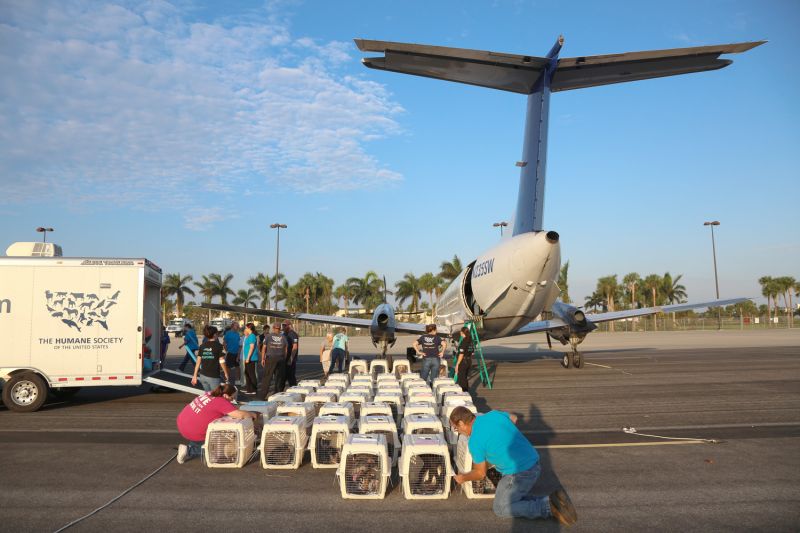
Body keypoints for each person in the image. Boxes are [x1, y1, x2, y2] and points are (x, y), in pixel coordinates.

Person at [449, 407, 577, 525]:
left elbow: (480, 474)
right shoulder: (492, 415)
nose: (458, 431)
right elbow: (513, 418)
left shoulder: (474, 441)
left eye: (456, 428)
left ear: (461, 423)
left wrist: (462, 478)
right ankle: (554, 500)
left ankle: (547, 507)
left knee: (501, 508)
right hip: (533, 461)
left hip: (518, 473)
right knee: (513, 497)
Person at [175, 383, 257, 464]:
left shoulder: (210, 393)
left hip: (183, 422)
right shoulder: (221, 401)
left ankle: (195, 443)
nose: (233, 400)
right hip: (192, 430)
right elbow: (240, 415)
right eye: (232, 397)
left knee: (206, 437)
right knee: (216, 455)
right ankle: (189, 450)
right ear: (225, 395)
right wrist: (253, 414)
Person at [191, 326, 230, 392]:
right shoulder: (219, 346)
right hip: (213, 376)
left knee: (208, 395)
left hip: (203, 375)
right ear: (214, 334)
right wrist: (226, 373)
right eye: (217, 333)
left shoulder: (202, 346)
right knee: (216, 397)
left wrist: (194, 375)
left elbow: (198, 362)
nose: (218, 334)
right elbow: (222, 361)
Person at [257, 323, 288, 400]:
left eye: (277, 328)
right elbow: (286, 349)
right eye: (278, 328)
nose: (277, 330)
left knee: (267, 377)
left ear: (273, 328)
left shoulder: (268, 336)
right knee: (279, 377)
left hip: (271, 358)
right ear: (279, 328)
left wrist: (262, 358)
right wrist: (285, 358)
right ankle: (277, 394)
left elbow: (264, 348)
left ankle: (263, 396)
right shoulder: (283, 337)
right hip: (280, 358)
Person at [241, 323, 259, 394]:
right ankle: (249, 389)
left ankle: (254, 389)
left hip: (251, 358)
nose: (245, 329)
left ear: (249, 328)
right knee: (247, 373)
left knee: (251, 374)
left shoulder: (252, 336)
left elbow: (251, 347)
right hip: (247, 358)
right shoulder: (248, 336)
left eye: (246, 328)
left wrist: (248, 358)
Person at [223, 322, 242, 386]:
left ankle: (238, 380)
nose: (238, 327)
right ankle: (227, 379)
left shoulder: (237, 334)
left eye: (238, 326)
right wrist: (226, 350)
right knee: (228, 367)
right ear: (232, 326)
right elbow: (224, 342)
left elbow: (239, 344)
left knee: (237, 367)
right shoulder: (228, 333)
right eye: (236, 326)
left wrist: (239, 354)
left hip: (236, 353)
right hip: (230, 353)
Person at [455, 326, 473, 392]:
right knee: (465, 378)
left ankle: (464, 393)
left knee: (461, 379)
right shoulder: (470, 341)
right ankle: (466, 392)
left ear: (462, 333)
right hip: (469, 361)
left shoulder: (464, 342)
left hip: (463, 362)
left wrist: (457, 364)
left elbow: (461, 354)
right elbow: (472, 353)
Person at [282, 320, 300, 389]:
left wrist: (290, 359)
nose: (283, 327)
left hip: (290, 360)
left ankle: (294, 390)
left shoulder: (293, 334)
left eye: (285, 325)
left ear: (289, 326)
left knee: (291, 377)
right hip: (284, 359)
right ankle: (279, 391)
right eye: (283, 325)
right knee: (283, 376)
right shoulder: (283, 334)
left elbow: (295, 347)